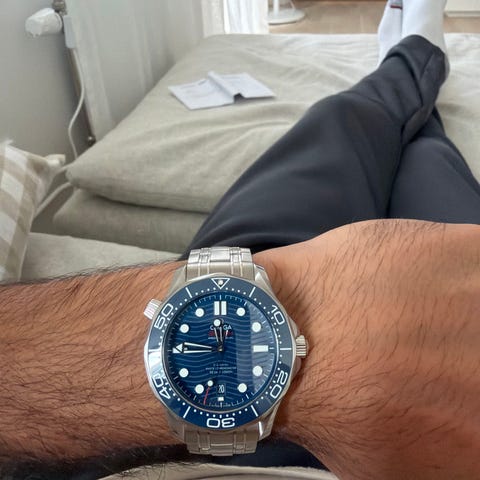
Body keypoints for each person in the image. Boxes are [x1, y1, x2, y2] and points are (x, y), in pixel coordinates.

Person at [1, 0, 479, 479]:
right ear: (295, 349)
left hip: (250, 292)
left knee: (344, 119)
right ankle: (414, 64)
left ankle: (408, 64)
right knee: (424, 157)